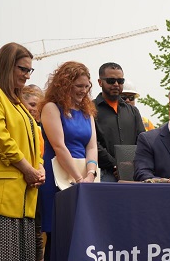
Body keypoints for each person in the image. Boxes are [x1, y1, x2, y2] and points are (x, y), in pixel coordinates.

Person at [0, 42, 45, 260]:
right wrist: (28, 169)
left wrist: (39, 166)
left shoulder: (19, 104)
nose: (27, 76)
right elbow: (0, 139)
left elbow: (33, 142)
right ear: (6, 65)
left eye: (29, 70)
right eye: (22, 69)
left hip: (24, 200)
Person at [39, 61, 98, 259]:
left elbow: (91, 147)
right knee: (57, 234)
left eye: (87, 86)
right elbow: (59, 146)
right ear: (64, 84)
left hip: (84, 177)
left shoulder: (87, 112)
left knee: (82, 233)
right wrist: (78, 178)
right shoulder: (51, 108)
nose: (84, 91)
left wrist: (90, 174)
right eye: (79, 86)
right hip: (58, 177)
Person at [94, 62, 145, 182]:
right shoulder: (90, 109)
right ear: (100, 82)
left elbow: (142, 140)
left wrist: (131, 165)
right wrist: (115, 165)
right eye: (111, 81)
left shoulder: (133, 111)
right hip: (104, 173)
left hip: (132, 173)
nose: (116, 84)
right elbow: (93, 143)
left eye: (120, 81)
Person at [21, 84, 45, 260]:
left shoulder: (38, 129)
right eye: (32, 104)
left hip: (35, 185)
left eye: (39, 106)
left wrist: (40, 169)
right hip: (18, 182)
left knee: (36, 232)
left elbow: (40, 156)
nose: (35, 110)